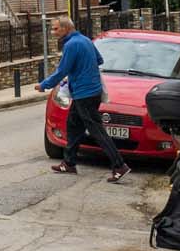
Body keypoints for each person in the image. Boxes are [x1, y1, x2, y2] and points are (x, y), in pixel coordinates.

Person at [38, 15, 130, 182]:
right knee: (73, 125)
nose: (53, 32)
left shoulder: (71, 45)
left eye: (56, 28)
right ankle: (69, 162)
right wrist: (83, 69)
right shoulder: (85, 40)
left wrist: (44, 85)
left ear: (66, 28)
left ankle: (119, 165)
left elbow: (62, 70)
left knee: (97, 130)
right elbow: (99, 60)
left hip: (84, 93)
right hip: (91, 91)